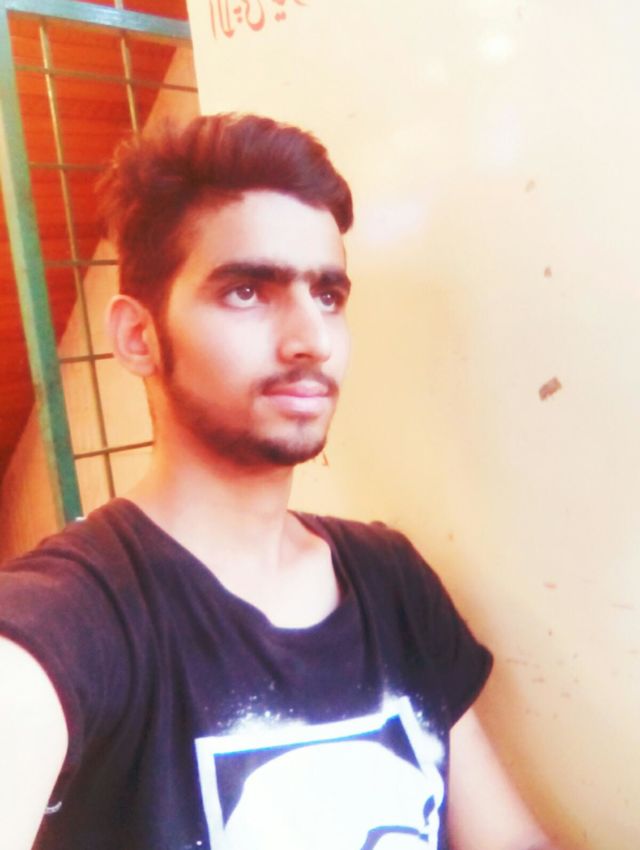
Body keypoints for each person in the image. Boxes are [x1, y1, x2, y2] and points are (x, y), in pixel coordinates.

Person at [0, 114, 562, 850]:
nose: (311, 340)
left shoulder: (389, 580)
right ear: (138, 337)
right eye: (247, 291)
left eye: (328, 296)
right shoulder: (71, 621)